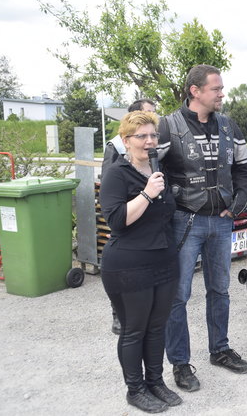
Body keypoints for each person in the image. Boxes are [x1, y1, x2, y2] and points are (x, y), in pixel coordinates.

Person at [158, 64, 247, 394]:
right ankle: (180, 364)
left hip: (221, 222)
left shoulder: (229, 125)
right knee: (178, 295)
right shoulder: (167, 127)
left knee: (220, 290)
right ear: (195, 91)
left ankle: (220, 350)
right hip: (185, 222)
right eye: (216, 89)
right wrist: (172, 205)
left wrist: (238, 203)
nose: (222, 94)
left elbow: (242, 168)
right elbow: (154, 171)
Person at [99, 111, 181, 413]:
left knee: (157, 327)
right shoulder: (116, 174)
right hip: (128, 265)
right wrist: (147, 194)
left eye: (153, 136)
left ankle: (155, 381)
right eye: (142, 136)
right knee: (135, 328)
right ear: (126, 140)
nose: (149, 142)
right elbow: (118, 221)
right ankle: (135, 389)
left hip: (164, 261)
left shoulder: (159, 172)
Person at [101, 98, 157, 336]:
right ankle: (118, 314)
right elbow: (110, 184)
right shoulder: (115, 147)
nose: (154, 117)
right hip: (127, 225)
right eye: (148, 113)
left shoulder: (154, 149)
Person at [101, 99, 157, 176]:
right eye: (149, 112)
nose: (153, 116)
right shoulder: (115, 145)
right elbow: (107, 175)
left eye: (154, 113)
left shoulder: (154, 139)